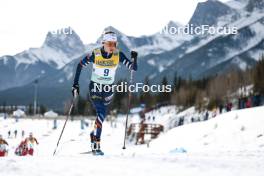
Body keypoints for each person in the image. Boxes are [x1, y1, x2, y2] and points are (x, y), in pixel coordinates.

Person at [72, 30, 138, 155]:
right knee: (101, 113)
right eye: (110, 44)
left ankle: (93, 134)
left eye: (115, 44)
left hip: (108, 89)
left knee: (101, 116)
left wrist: (134, 59)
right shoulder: (95, 54)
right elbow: (80, 65)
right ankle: (96, 145)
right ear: (103, 43)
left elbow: (133, 68)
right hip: (95, 87)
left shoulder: (118, 55)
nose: (112, 47)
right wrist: (75, 84)